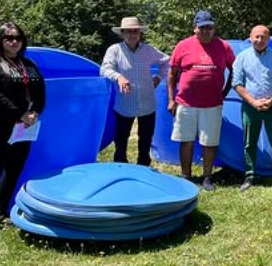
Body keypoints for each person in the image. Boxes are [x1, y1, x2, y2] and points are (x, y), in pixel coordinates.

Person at [0, 22, 46, 232]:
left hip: (24, 127)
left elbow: (41, 91)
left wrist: (35, 112)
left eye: (18, 37)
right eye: (9, 38)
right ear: (0, 40)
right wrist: (20, 113)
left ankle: (1, 212)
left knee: (14, 170)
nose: (14, 41)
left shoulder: (29, 64)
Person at [167, 10, 235, 192]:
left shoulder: (224, 47)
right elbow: (172, 74)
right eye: (202, 27)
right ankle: (186, 176)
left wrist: (225, 92)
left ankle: (207, 177)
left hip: (212, 103)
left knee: (209, 141)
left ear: (214, 28)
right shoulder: (183, 46)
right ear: (195, 28)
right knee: (186, 140)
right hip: (186, 103)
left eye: (209, 27)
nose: (206, 31)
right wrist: (171, 99)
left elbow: (235, 70)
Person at [100, 17, 169, 167]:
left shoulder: (148, 50)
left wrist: (158, 78)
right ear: (122, 33)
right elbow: (105, 69)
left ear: (139, 33)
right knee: (121, 140)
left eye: (135, 31)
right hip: (124, 103)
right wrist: (119, 77)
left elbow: (167, 62)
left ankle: (143, 167)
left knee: (145, 139)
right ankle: (121, 167)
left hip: (147, 102)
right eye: (129, 32)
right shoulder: (115, 50)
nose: (132, 34)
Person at [232, 25, 272, 192]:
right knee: (249, 143)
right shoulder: (242, 58)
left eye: (263, 37)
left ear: (268, 39)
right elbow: (237, 83)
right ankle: (250, 176)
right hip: (251, 106)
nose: (259, 40)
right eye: (256, 37)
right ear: (250, 37)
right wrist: (253, 102)